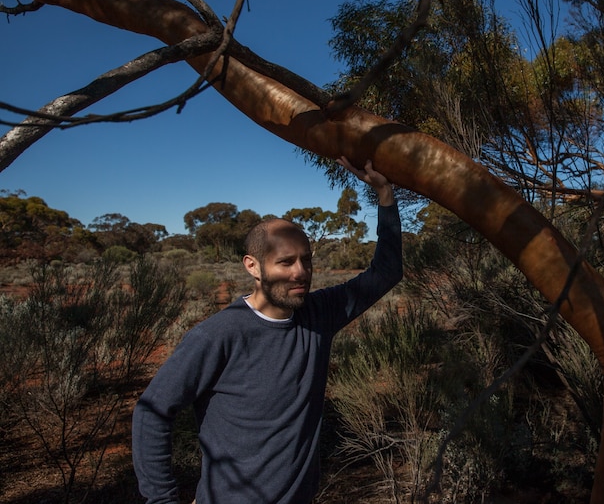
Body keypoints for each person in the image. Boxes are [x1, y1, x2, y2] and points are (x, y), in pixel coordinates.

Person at [132, 156, 403, 504]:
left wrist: (384, 195)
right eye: (286, 262)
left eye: (306, 259)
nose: (300, 272)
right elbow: (151, 412)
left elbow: (386, 273)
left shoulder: (318, 314)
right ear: (253, 266)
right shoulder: (218, 335)